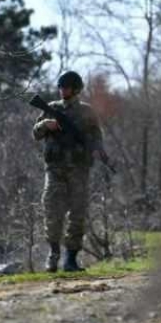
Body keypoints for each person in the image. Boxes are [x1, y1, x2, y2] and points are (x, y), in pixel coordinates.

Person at [33, 71, 104, 272]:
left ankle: (71, 259)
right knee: (52, 212)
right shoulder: (51, 109)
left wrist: (97, 150)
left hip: (79, 170)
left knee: (77, 215)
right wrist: (44, 124)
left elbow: (97, 137)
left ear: (76, 89)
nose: (62, 90)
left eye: (66, 87)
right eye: (61, 87)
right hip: (55, 170)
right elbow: (35, 134)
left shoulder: (87, 112)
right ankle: (53, 254)